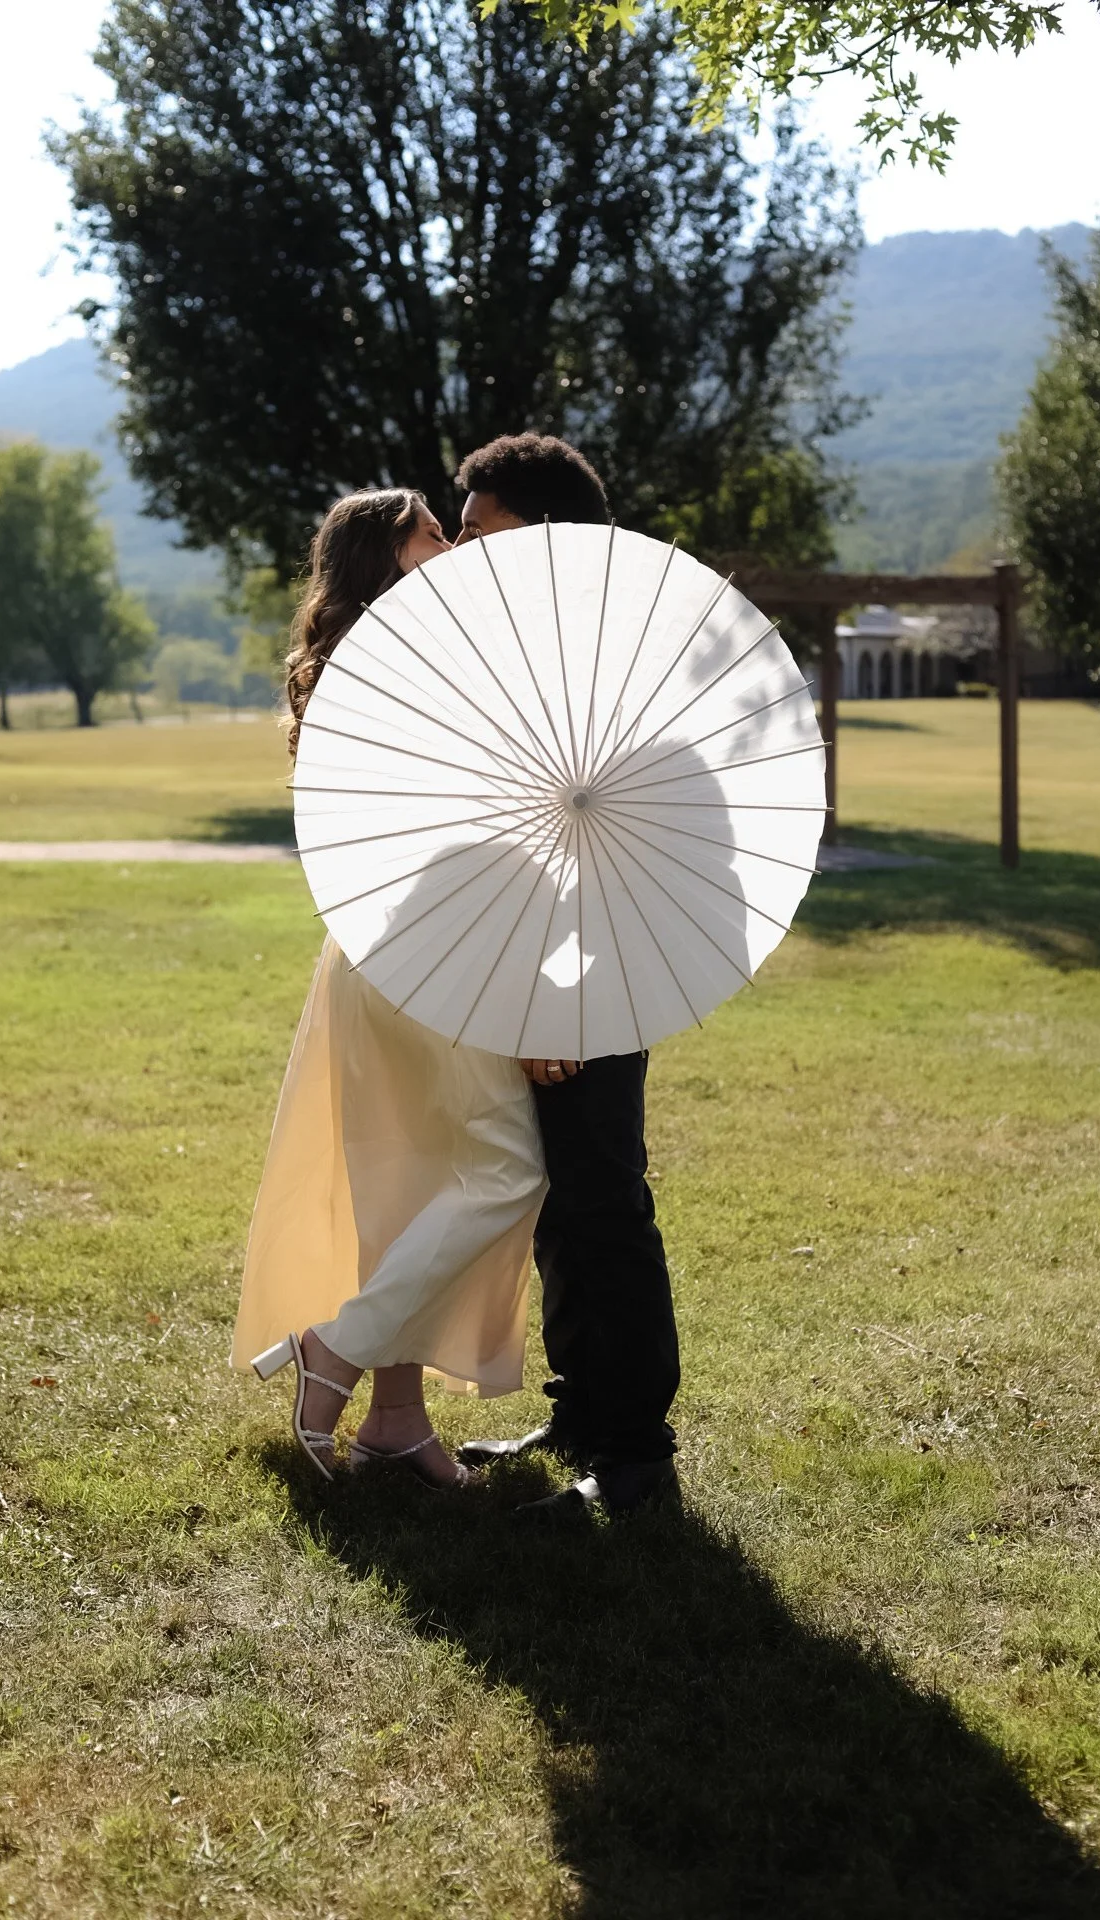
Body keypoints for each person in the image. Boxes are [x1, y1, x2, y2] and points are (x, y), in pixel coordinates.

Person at [232, 488, 548, 1488]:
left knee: (405, 1182)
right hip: (428, 951)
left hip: (381, 952)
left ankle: (396, 1424)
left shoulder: (362, 663)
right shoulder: (399, 667)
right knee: (506, 1169)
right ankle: (334, 1351)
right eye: (430, 538)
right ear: (384, 560)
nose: (451, 550)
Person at [452, 434, 682, 1519]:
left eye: (478, 529)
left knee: (602, 1198)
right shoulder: (538, 642)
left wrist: (557, 995)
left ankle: (634, 1456)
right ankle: (580, 1407)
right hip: (543, 957)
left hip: (599, 963)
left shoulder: (604, 651)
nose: (460, 549)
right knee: (557, 1203)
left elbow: (597, 842)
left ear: (539, 532)